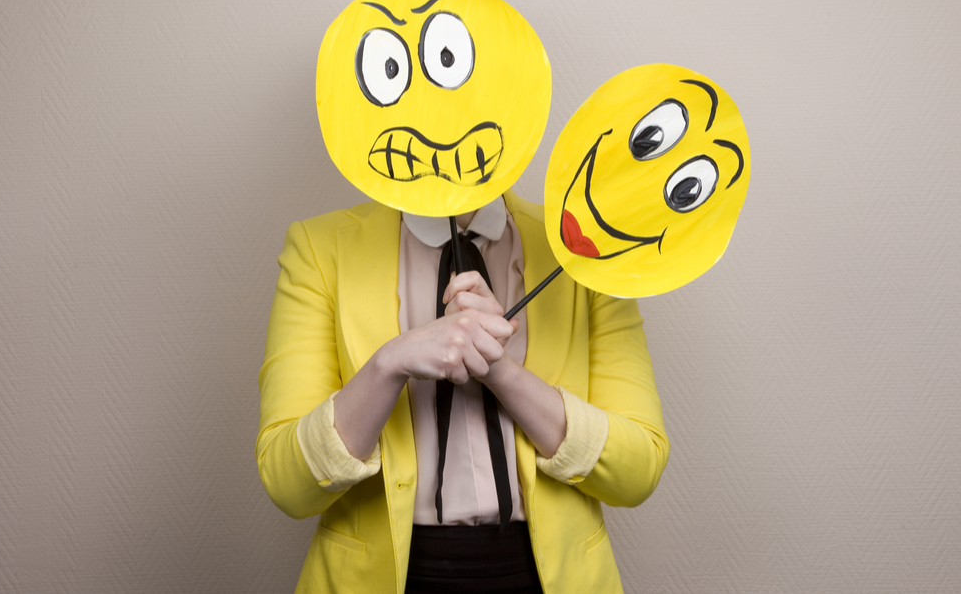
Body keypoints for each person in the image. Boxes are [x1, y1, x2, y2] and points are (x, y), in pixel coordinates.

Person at [257, 190, 669, 593]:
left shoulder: (584, 248)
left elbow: (638, 470)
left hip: (547, 577)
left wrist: (501, 372)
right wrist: (390, 363)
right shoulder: (320, 247)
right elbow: (289, 484)